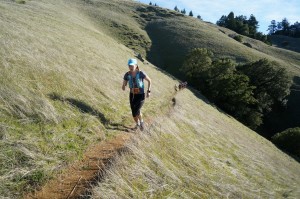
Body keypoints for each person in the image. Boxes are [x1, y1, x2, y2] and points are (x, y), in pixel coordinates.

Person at [122, 58, 151, 131]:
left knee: (137, 109)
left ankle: (141, 123)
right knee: (133, 112)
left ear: (136, 65)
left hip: (141, 95)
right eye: (129, 66)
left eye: (132, 66)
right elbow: (125, 83)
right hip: (132, 95)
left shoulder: (141, 73)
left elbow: (149, 81)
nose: (130, 67)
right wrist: (124, 85)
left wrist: (148, 91)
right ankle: (137, 124)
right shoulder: (127, 74)